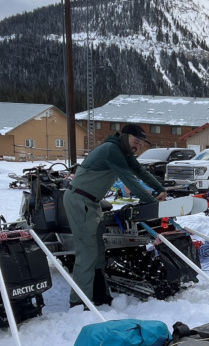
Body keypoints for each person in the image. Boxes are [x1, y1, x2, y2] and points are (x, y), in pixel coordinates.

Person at [63, 123, 167, 308]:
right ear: (125, 136)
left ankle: (99, 294)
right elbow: (129, 180)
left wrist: (160, 189)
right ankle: (79, 302)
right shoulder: (112, 150)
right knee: (87, 252)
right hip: (80, 200)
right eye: (136, 142)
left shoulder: (124, 152)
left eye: (141, 144)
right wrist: (152, 202)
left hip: (91, 202)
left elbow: (140, 172)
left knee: (98, 251)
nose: (138, 147)